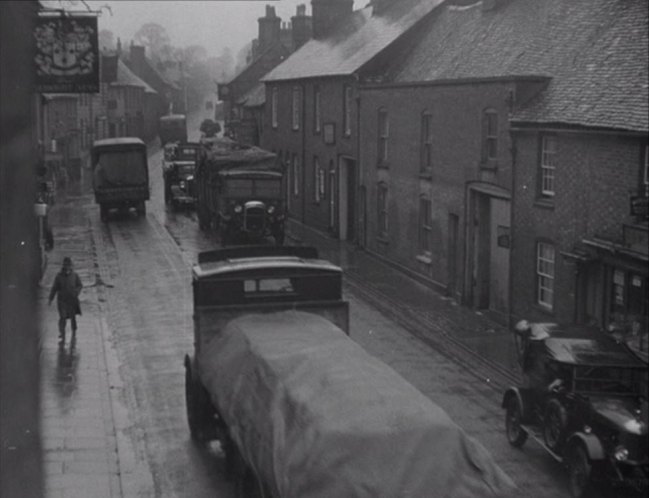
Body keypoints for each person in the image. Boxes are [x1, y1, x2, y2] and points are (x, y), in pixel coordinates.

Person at [48, 257, 82, 344]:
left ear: (71, 266)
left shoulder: (74, 276)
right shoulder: (59, 277)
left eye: (69, 265)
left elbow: (79, 285)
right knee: (62, 317)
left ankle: (74, 332)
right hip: (62, 301)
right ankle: (61, 333)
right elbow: (54, 288)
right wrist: (50, 298)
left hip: (72, 300)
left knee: (72, 317)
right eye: (66, 265)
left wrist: (76, 292)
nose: (67, 267)